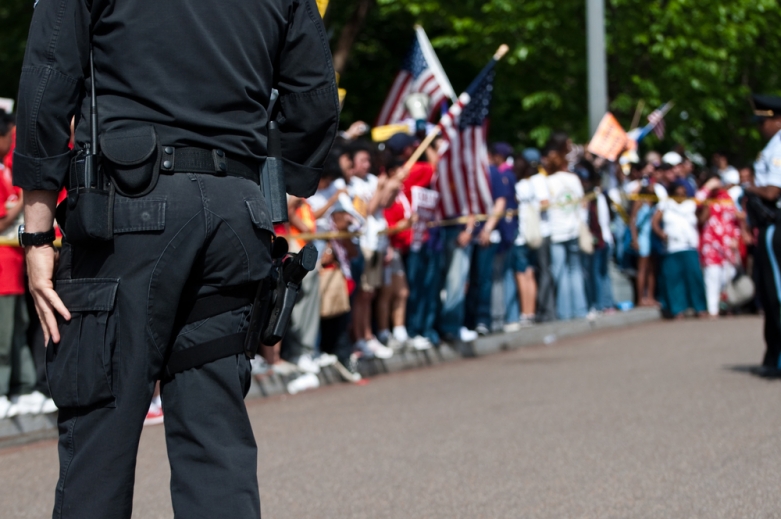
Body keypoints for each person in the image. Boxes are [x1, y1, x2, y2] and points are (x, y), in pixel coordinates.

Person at [14, 1, 339, 518]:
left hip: (126, 210)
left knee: (101, 434)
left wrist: (35, 236)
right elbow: (315, 99)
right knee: (215, 438)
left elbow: (46, 83)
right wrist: (276, 178)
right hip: (236, 210)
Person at [743, 94, 781, 371]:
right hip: (769, 225)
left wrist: (747, 187)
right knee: (770, 293)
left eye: (762, 122)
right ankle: (773, 355)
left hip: (775, 223)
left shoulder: (778, 146)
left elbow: (772, 190)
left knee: (776, 291)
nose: (760, 128)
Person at [544, 136, 588, 321]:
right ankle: (580, 309)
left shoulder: (548, 182)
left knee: (560, 272)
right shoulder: (573, 179)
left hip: (557, 231)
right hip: (574, 228)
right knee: (575, 270)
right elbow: (583, 204)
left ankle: (565, 312)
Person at [652, 181, 708, 318]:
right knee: (674, 280)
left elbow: (701, 219)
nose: (681, 193)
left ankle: (699, 307)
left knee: (694, 278)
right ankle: (678, 310)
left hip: (689, 246)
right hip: (672, 248)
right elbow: (655, 222)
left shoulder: (691, 204)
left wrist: (706, 206)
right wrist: (661, 233)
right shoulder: (666, 204)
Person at [697, 176, 741, 317]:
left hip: (727, 244)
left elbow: (734, 219)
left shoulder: (726, 197)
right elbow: (696, 202)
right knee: (712, 277)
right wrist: (707, 187)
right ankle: (713, 310)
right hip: (710, 245)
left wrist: (736, 237)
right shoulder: (705, 196)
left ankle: (723, 305)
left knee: (727, 277)